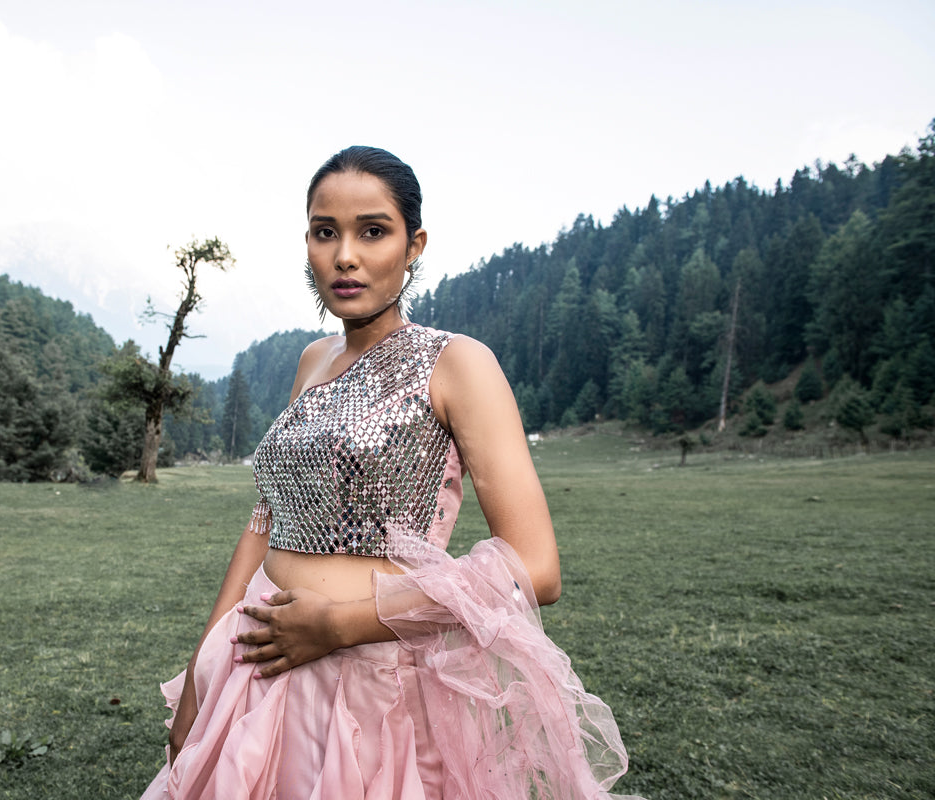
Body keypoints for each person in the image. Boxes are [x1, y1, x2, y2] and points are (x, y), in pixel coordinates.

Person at [141, 146, 641, 799]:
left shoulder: (457, 363)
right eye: (326, 233)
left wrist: (341, 625)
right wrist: (202, 674)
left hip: (369, 675)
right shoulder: (311, 360)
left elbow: (537, 569)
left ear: (414, 245)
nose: (345, 255)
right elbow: (265, 521)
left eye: (372, 231)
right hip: (255, 663)